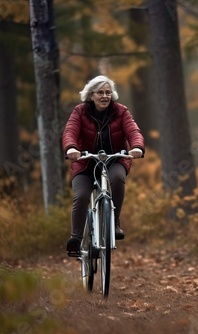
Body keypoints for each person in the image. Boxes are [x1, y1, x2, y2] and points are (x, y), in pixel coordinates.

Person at [62, 75, 145, 254]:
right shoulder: (79, 111)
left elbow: (133, 131)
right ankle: (76, 239)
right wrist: (71, 149)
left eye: (108, 92)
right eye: (100, 92)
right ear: (91, 95)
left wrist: (137, 146)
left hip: (114, 159)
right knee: (82, 195)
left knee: (117, 178)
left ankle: (114, 222)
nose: (105, 96)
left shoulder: (121, 111)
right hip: (84, 162)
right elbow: (70, 132)